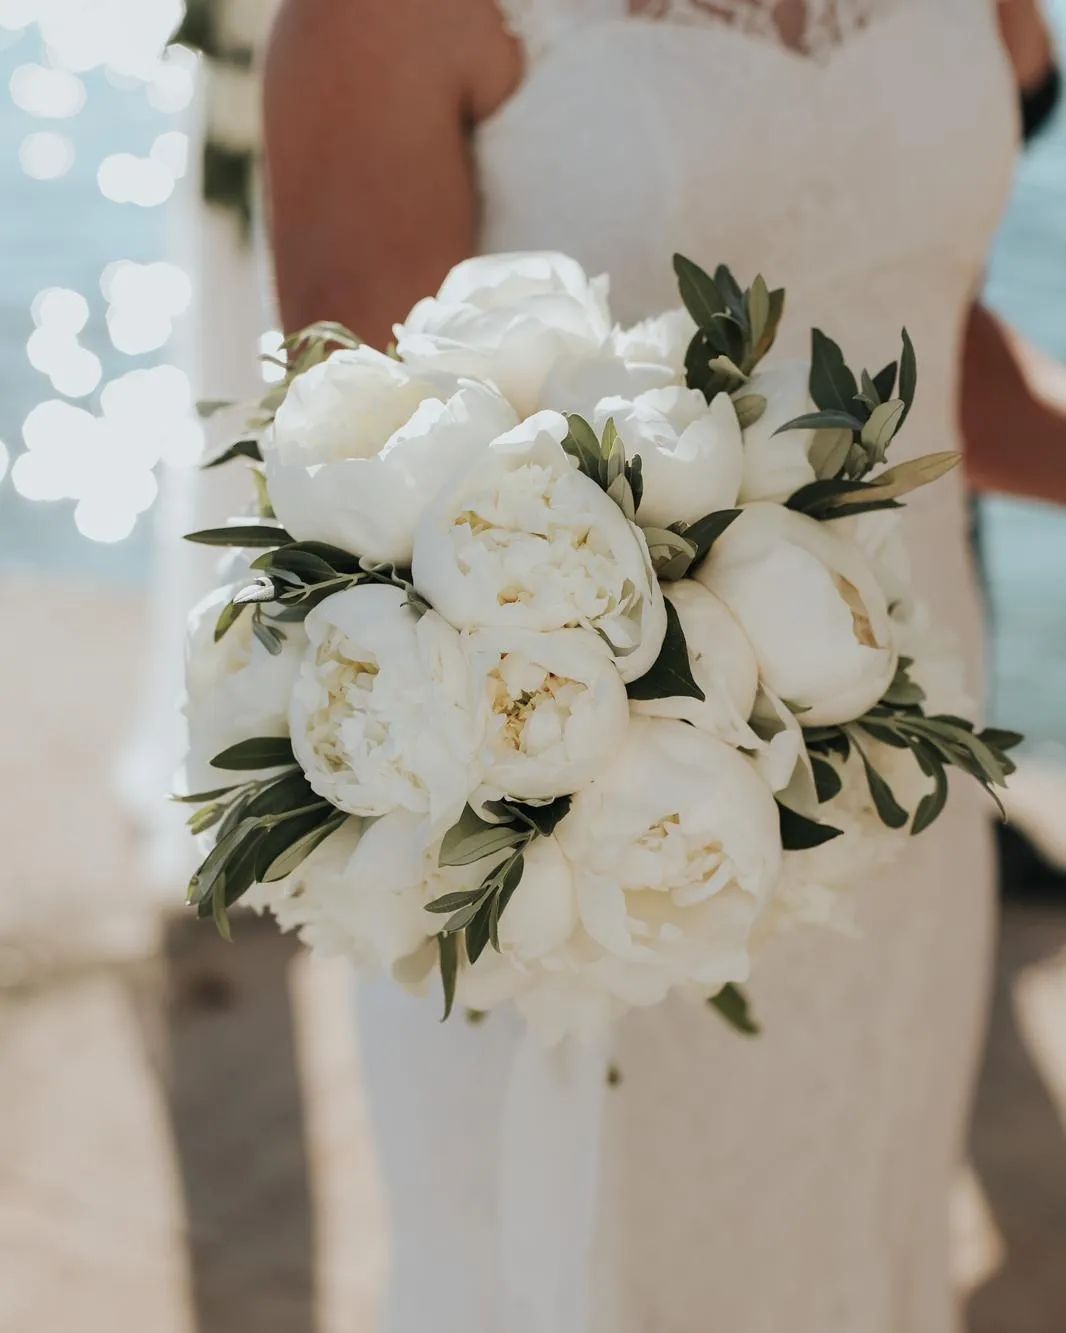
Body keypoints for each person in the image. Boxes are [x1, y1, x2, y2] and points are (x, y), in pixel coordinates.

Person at [262, 3, 1066, 1330]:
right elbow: (364, 494)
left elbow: (912, 316)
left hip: (901, 759)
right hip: (579, 829)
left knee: (860, 1218)